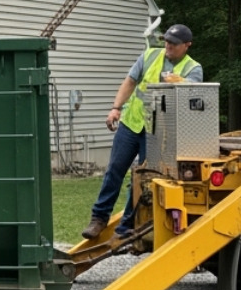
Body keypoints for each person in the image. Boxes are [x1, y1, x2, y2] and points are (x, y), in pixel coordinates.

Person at [81, 23, 202, 241]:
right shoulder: (149, 55)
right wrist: (115, 108)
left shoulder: (193, 68)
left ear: (187, 45)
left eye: (174, 44)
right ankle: (98, 218)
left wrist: (178, 82)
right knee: (115, 170)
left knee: (142, 179)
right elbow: (129, 82)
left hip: (158, 133)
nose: (168, 46)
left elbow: (191, 96)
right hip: (131, 123)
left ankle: (127, 225)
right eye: (167, 41)